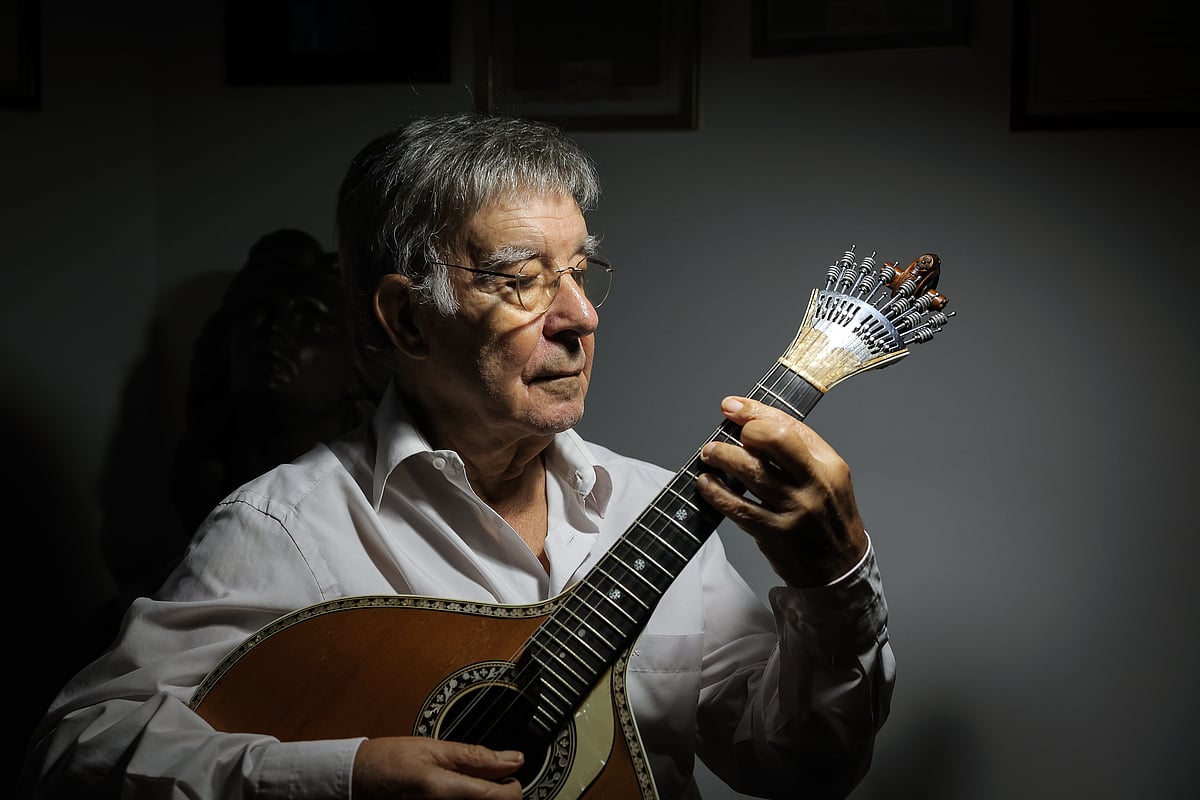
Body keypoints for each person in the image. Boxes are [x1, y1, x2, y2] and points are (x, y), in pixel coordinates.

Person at [18, 113, 894, 800]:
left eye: (581, 271)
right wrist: (348, 779)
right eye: (521, 278)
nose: (579, 316)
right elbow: (75, 753)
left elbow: (797, 769)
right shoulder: (288, 527)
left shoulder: (649, 508)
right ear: (404, 319)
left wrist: (834, 583)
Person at [169, 229, 387, 537]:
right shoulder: (196, 490)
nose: (274, 332)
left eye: (309, 322)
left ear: (358, 363)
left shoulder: (384, 502)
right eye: (258, 317)